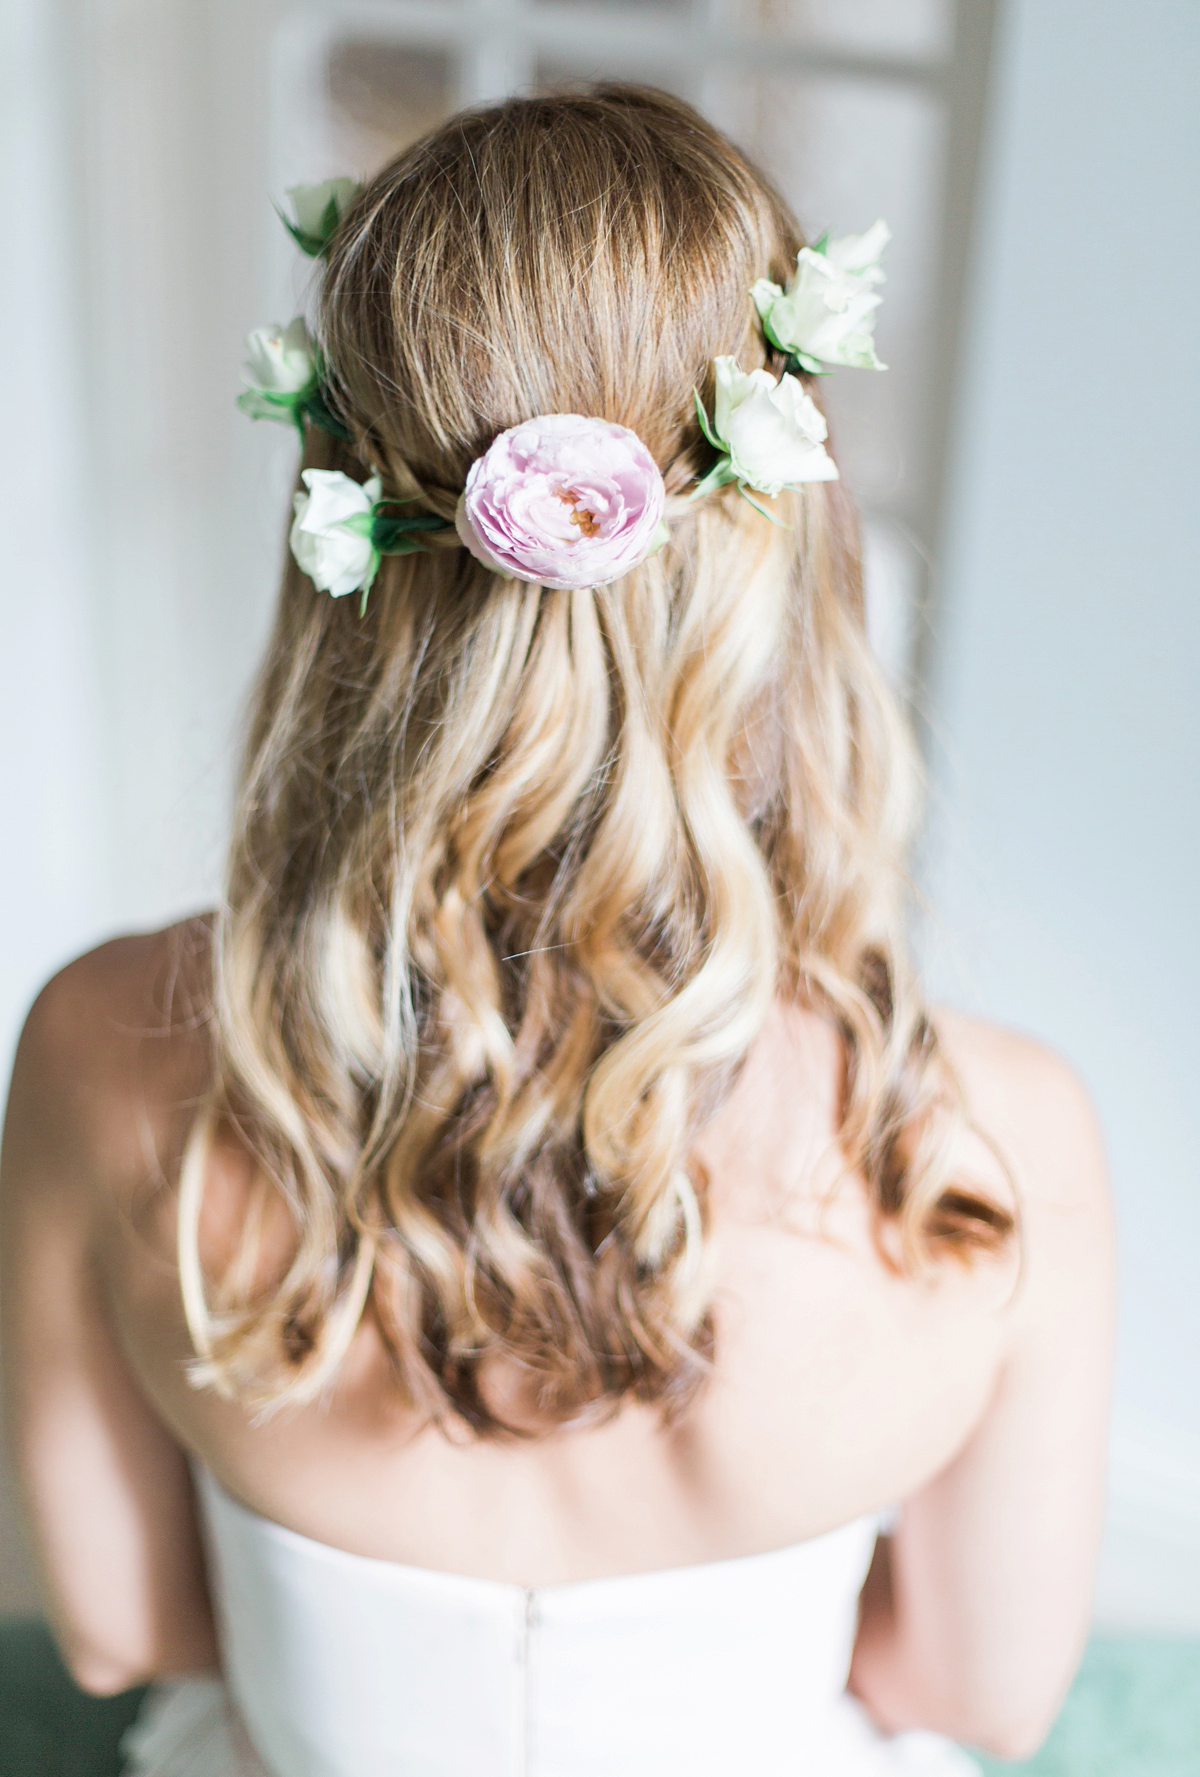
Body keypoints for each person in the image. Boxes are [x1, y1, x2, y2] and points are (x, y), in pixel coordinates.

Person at [0, 85, 1114, 1777]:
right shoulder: (983, 1147)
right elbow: (983, 1692)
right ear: (788, 548)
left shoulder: (99, 1051)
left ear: (340, 557)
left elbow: (118, 1631)